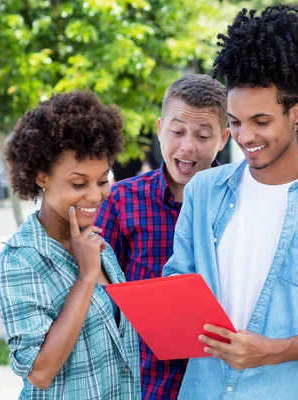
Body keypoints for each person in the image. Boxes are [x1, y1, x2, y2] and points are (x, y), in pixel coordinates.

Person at [162, 5, 298, 399]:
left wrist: (273, 352)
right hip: (202, 389)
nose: (245, 136)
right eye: (234, 121)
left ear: (297, 112)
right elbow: (179, 275)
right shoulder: (204, 191)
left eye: (261, 122)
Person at [0, 91, 140, 399]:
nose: (95, 196)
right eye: (78, 183)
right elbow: (40, 372)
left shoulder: (95, 244)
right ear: (42, 176)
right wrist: (86, 278)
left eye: (102, 181)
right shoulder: (20, 261)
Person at [95, 74, 230, 399]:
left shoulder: (240, 202)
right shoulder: (122, 200)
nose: (187, 146)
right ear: (159, 129)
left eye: (202, 135)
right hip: (145, 381)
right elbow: (99, 297)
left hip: (221, 379)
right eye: (177, 131)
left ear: (224, 139)